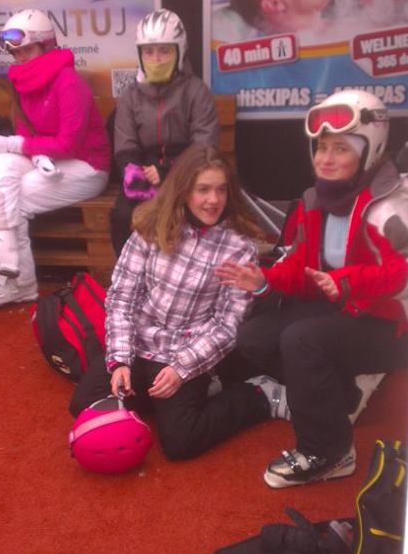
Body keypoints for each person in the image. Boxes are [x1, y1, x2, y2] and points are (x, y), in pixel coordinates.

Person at [216, 89, 408, 488]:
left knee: (301, 340)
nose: (325, 159)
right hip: (346, 308)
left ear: (369, 150)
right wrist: (265, 280)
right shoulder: (315, 200)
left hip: (397, 327)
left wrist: (349, 282)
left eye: (340, 149)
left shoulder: (393, 207)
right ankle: (342, 396)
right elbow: (302, 265)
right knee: (254, 337)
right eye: (321, 147)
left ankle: (330, 452)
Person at [71, 144, 287, 461]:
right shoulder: (151, 228)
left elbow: (228, 325)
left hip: (185, 351)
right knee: (83, 404)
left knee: (179, 441)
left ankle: (258, 394)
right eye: (203, 189)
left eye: (221, 190)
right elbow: (121, 299)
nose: (213, 200)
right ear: (184, 190)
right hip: (140, 344)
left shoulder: (238, 248)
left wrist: (182, 369)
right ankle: (175, 395)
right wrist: (119, 361)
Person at [0, 8, 110, 309]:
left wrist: (17, 145)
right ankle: (1, 246)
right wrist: (30, 153)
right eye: (15, 52)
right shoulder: (23, 82)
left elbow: (69, 144)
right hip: (50, 159)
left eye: (27, 49)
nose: (20, 57)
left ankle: (19, 282)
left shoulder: (68, 82)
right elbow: (25, 130)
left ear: (45, 45)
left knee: (15, 196)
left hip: (88, 165)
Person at [111, 9, 219, 255]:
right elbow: (125, 144)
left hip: (188, 168)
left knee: (191, 212)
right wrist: (134, 171)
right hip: (145, 169)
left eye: (164, 51)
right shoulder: (130, 96)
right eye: (148, 52)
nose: (156, 59)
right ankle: (128, 269)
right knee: (123, 215)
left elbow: (205, 145)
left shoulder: (196, 91)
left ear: (179, 52)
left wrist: (168, 172)